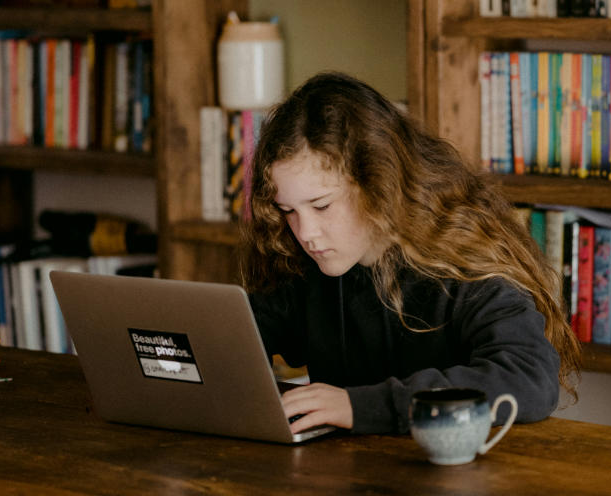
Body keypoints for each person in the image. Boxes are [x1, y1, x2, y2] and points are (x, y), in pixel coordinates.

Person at [242, 71, 581, 436]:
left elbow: (529, 378)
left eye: (322, 206)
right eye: (288, 210)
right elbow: (243, 340)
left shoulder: (464, 258)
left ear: (379, 183)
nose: (305, 233)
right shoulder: (302, 261)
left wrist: (360, 407)